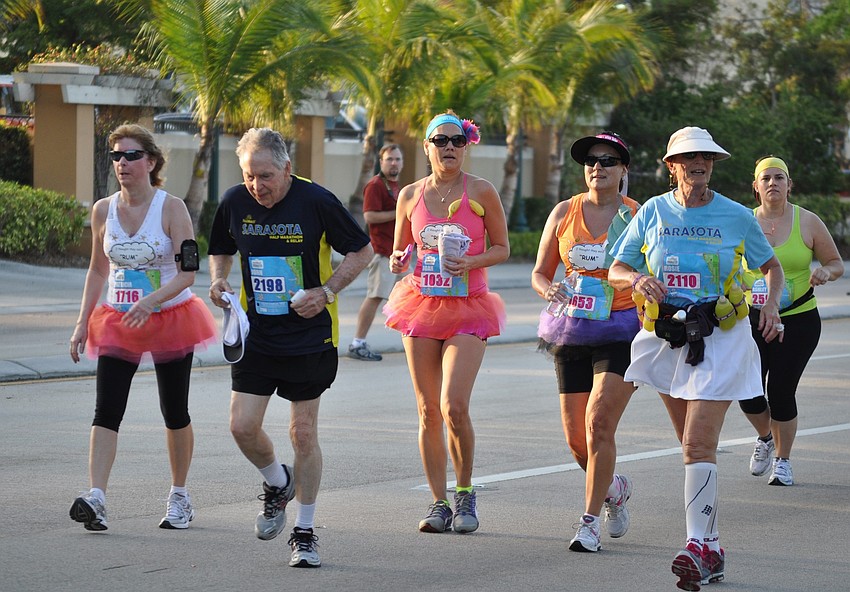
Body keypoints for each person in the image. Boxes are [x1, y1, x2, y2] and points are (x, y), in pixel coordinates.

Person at [608, 126, 785, 591]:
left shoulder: (735, 215)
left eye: (705, 157)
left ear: (713, 164)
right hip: (667, 335)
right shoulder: (652, 211)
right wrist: (636, 281)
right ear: (672, 166)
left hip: (721, 335)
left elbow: (772, 267)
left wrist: (769, 304)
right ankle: (714, 546)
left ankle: (698, 548)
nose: (698, 164)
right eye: (688, 158)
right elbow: (617, 267)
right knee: (690, 446)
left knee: (697, 445)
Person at [207, 128, 371, 568]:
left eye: (265, 176)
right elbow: (220, 246)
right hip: (255, 333)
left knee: (303, 433)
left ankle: (305, 531)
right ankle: (278, 481)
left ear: (287, 169)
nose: (257, 186)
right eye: (249, 177)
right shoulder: (234, 201)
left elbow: (361, 251)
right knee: (241, 427)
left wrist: (328, 290)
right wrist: (218, 279)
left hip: (307, 335)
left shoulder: (316, 200)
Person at [68, 123, 217, 532]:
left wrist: (152, 301)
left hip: (170, 317)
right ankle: (96, 497)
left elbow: (189, 272)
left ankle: (180, 496)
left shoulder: (171, 209)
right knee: (106, 409)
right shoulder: (103, 210)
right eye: (116, 156)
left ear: (151, 162)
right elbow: (98, 269)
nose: (122, 163)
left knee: (174, 410)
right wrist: (83, 321)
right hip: (119, 318)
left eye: (131, 155)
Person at [384, 111, 510, 534]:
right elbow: (400, 253)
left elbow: (503, 248)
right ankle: (437, 502)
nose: (449, 147)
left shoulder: (482, 190)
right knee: (426, 411)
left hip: (469, 305)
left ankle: (465, 491)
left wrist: (471, 261)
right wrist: (399, 260)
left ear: (466, 146)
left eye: (457, 140)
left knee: (453, 405)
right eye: (440, 141)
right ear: (427, 147)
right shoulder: (409, 196)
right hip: (420, 302)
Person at [531, 131, 640, 553]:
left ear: (623, 170)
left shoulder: (639, 215)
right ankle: (614, 488)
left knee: (598, 424)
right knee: (577, 440)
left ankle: (589, 522)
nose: (598, 166)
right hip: (572, 326)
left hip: (623, 327)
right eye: (592, 160)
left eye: (608, 160)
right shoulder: (563, 212)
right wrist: (548, 290)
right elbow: (540, 272)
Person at [740, 156, 844, 486]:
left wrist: (826, 272)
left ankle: (783, 460)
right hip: (752, 318)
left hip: (798, 319)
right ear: (756, 186)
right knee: (748, 390)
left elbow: (836, 262)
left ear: (789, 184)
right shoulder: (742, 222)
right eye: (766, 178)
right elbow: (724, 264)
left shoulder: (808, 222)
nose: (773, 183)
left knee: (781, 390)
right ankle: (766, 438)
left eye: (779, 177)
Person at [348, 144, 405, 361]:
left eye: (397, 159)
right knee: (375, 296)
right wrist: (398, 211)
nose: (394, 163)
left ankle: (412, 339)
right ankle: (357, 343)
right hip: (382, 252)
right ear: (381, 162)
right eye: (389, 159)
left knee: (408, 296)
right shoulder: (375, 186)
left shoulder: (396, 186)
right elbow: (370, 216)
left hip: (399, 253)